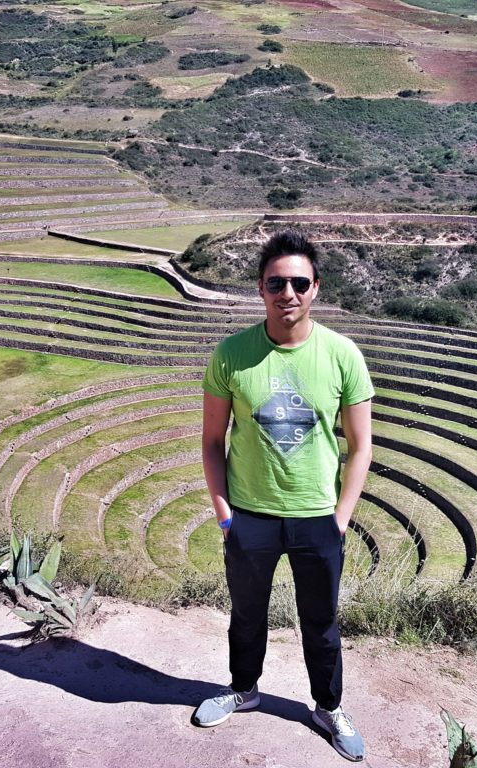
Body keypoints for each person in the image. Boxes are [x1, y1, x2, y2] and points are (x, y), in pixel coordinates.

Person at [192, 230, 374, 762]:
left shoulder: (342, 355)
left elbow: (361, 446)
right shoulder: (232, 355)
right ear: (260, 288)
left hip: (318, 517)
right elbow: (210, 442)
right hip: (250, 515)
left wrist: (341, 516)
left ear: (315, 288)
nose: (287, 292)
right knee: (247, 613)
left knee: (320, 620)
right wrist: (225, 514)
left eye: (298, 282)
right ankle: (243, 690)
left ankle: (327, 707)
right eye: (277, 282)